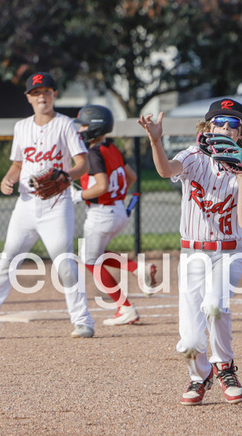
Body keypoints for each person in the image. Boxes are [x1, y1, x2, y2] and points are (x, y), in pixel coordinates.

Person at [137, 98, 242, 406]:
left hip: (228, 253)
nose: (226, 128)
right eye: (219, 122)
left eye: (234, 125)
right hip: (192, 255)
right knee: (189, 342)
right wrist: (155, 141)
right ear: (207, 128)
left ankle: (225, 367)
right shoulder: (193, 157)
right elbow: (166, 170)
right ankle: (199, 375)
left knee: (215, 307)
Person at [0, 72, 95, 340]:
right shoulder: (21, 127)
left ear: (54, 95)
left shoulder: (65, 125)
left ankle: (83, 321)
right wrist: (8, 178)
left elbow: (82, 163)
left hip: (56, 205)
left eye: (47, 91)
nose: (42, 97)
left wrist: (66, 177)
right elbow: (18, 164)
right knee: (6, 261)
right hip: (25, 205)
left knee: (64, 264)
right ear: (28, 98)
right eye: (36, 93)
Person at [71, 104, 157, 325]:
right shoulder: (112, 148)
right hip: (118, 211)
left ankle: (125, 307)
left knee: (89, 261)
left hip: (101, 214)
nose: (80, 130)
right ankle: (137, 268)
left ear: (94, 128)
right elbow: (131, 177)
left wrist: (78, 196)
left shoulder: (92, 153)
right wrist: (116, 196)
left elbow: (101, 186)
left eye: (84, 126)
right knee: (95, 254)